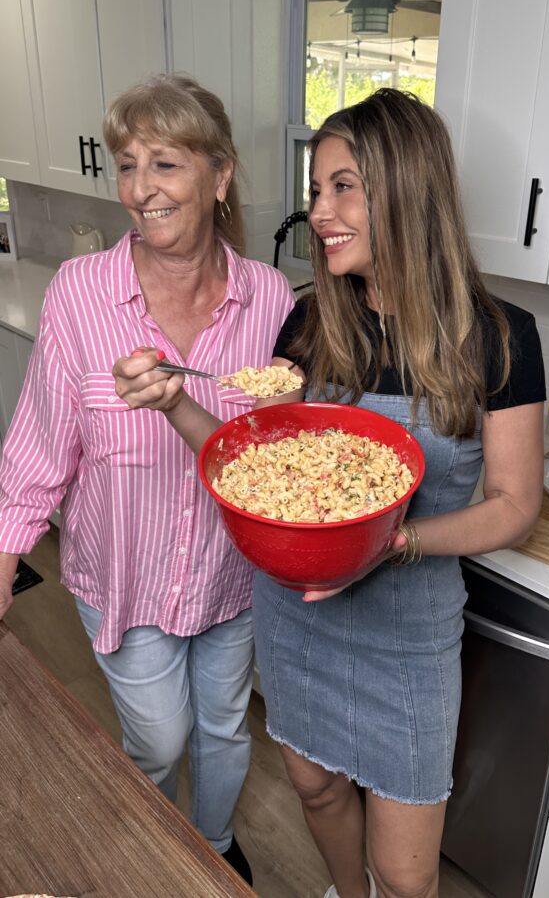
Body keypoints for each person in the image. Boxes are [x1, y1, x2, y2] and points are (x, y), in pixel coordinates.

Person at [112, 88, 546, 898]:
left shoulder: (497, 336)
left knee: (410, 875)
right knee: (314, 788)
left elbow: (514, 506)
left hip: (408, 629)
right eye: (316, 190)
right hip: (299, 615)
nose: (320, 211)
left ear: (405, 189)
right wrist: (175, 399)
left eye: (343, 186)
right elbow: (255, 474)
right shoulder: (308, 327)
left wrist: (397, 541)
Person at [0, 73, 295, 884]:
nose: (138, 188)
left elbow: (270, 450)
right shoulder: (81, 293)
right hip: (124, 571)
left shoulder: (268, 299)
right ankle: (154, 842)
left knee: (227, 730)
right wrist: (2, 556)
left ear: (219, 175)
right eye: (127, 165)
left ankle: (212, 844)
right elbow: (41, 440)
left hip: (227, 570)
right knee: (159, 739)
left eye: (164, 163)